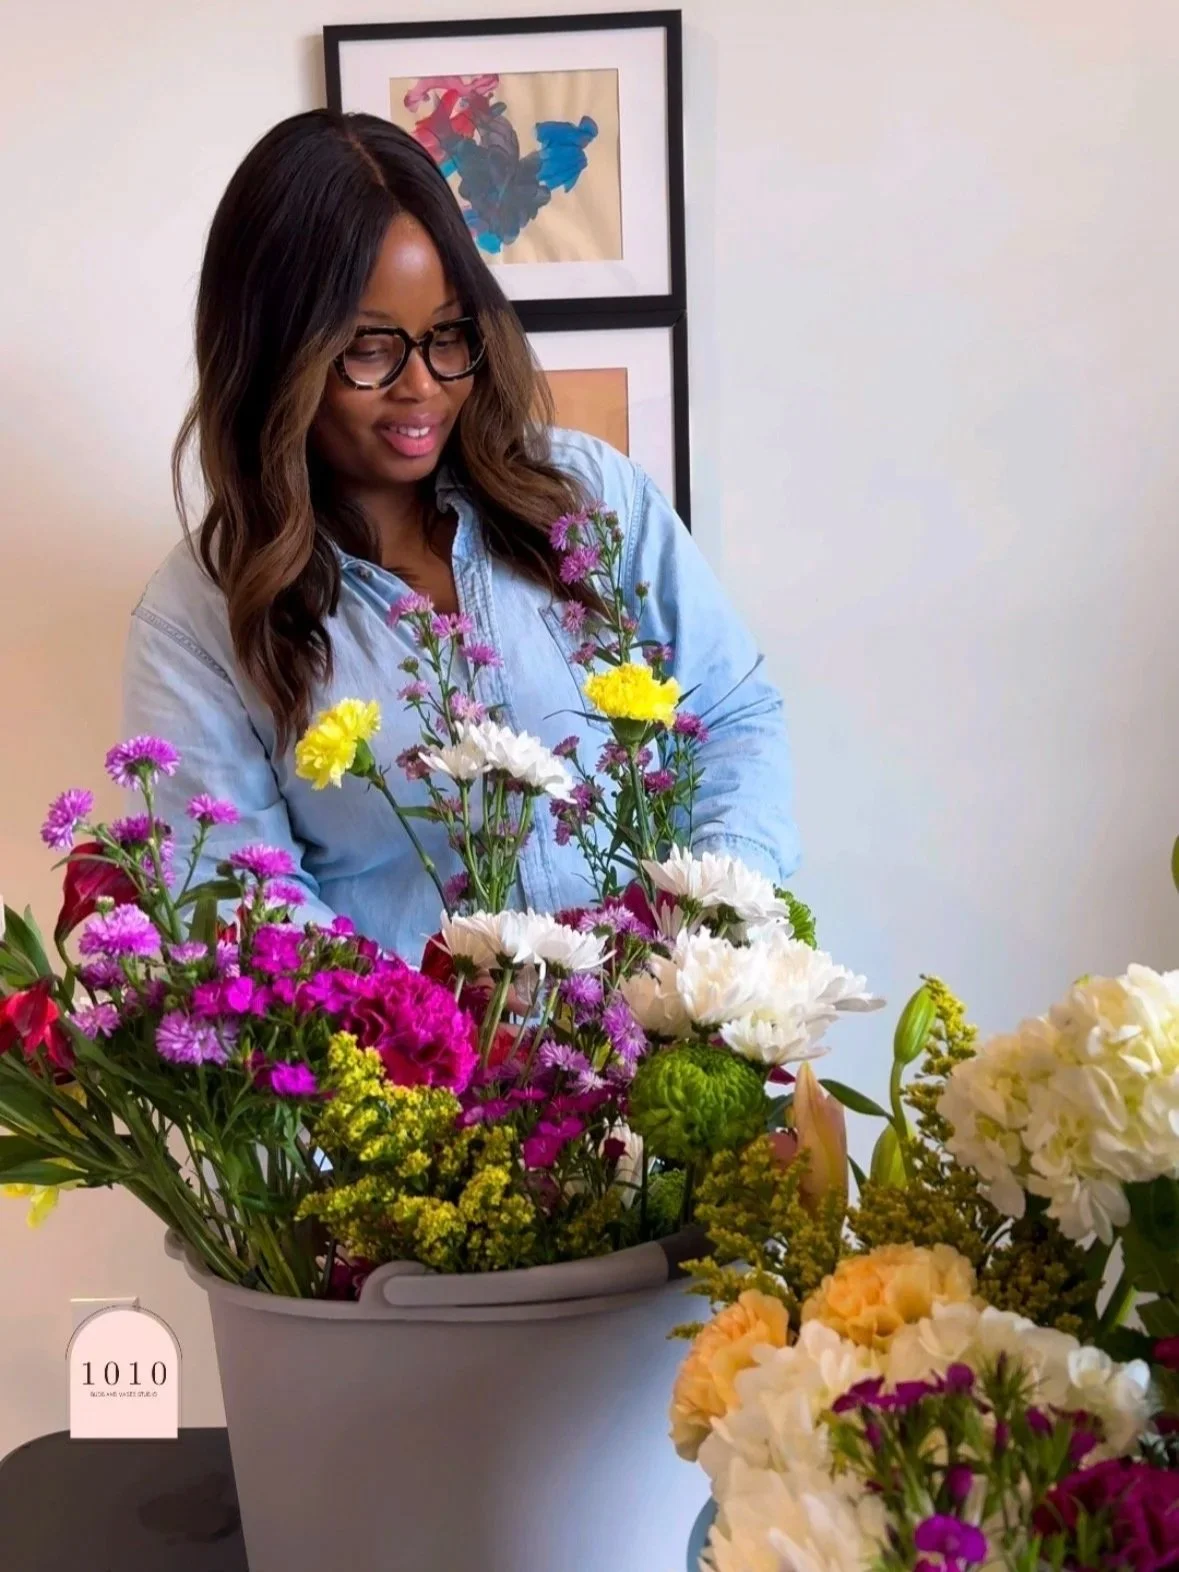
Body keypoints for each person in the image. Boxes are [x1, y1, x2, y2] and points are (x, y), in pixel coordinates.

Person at [122, 109, 800, 960]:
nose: (423, 386)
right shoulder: (198, 621)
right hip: (417, 1084)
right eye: (369, 348)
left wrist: (702, 953)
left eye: (447, 335)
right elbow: (238, 901)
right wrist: (435, 1053)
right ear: (272, 352)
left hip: (669, 1048)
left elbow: (732, 717)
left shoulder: (589, 496)